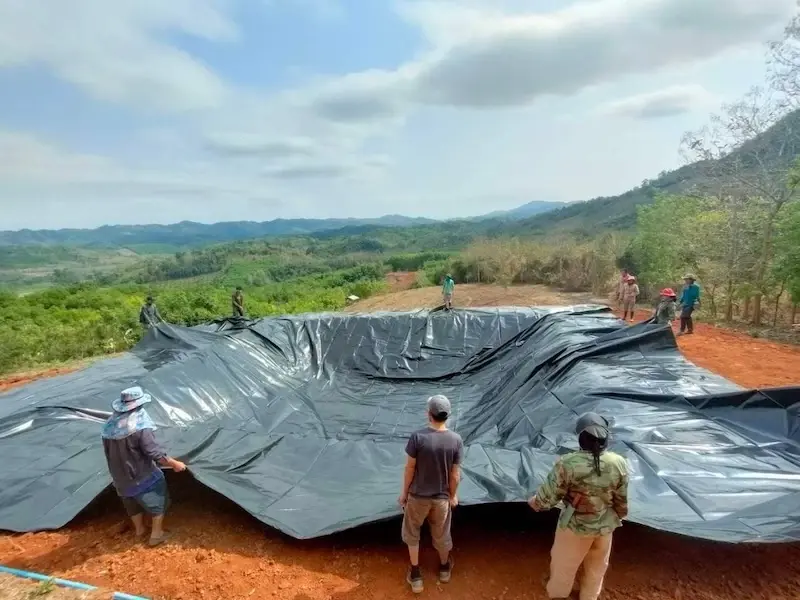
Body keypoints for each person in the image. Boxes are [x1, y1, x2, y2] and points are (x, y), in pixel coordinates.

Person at [528, 413, 629, 600]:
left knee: (564, 568)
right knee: (597, 569)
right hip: (605, 528)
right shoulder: (619, 462)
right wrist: (616, 518)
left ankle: (559, 595)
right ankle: (589, 596)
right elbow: (621, 502)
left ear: (581, 438)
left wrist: (534, 502)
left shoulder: (567, 463)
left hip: (575, 528)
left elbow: (545, 500)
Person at [101, 386, 187, 547]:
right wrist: (174, 464)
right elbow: (153, 452)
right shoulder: (139, 427)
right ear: (139, 406)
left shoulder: (109, 427)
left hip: (120, 478)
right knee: (157, 501)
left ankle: (140, 530)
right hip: (141, 476)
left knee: (131, 504)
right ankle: (156, 534)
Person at [399, 395, 463, 594]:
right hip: (441, 499)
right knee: (441, 533)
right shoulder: (455, 440)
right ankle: (444, 568)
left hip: (418, 497)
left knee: (412, 532)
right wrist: (452, 496)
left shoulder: (418, 437)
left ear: (429, 414)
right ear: (447, 416)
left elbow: (410, 468)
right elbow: (455, 474)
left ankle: (416, 575)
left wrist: (404, 494)